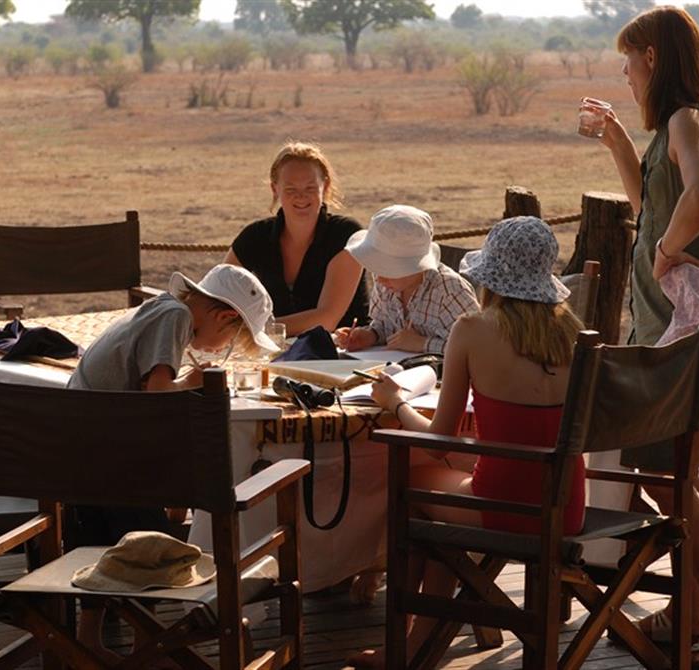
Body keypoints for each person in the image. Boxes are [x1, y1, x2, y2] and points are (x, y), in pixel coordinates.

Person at [348, 217, 586, 668]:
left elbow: (438, 441)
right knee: (448, 487)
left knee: (415, 481)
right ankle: (425, 639)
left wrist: (396, 403)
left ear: (491, 277)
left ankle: (411, 645)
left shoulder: (474, 329)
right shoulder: (574, 333)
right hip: (566, 504)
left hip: (504, 506)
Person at [593, 6, 699, 668]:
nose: (626, 75)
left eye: (629, 61)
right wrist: (619, 144)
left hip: (689, 331)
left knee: (676, 477)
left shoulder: (688, 119)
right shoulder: (672, 129)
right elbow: (649, 208)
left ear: (653, 58)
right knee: (660, 475)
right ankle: (687, 608)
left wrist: (665, 252)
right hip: (668, 331)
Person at [67, 263, 278, 662]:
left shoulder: (161, 309)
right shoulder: (176, 317)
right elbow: (157, 395)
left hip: (84, 454)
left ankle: (88, 640)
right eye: (230, 340)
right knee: (150, 546)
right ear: (224, 316)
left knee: (97, 542)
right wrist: (194, 384)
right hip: (111, 458)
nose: (219, 348)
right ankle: (145, 645)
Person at [225, 141, 369, 335]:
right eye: (291, 189)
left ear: (325, 186)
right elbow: (218, 293)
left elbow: (327, 319)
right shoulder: (255, 236)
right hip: (273, 354)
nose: (301, 197)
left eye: (310, 188)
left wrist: (254, 331)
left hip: (345, 356)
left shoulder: (345, 234)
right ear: (274, 189)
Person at [335, 204, 479, 354]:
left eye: (388, 270)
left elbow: (478, 347)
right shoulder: (386, 283)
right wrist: (370, 335)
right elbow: (385, 326)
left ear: (415, 266)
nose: (378, 279)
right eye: (377, 268)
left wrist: (423, 344)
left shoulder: (450, 292)